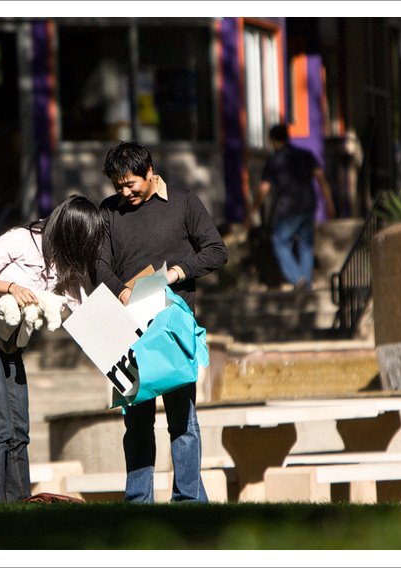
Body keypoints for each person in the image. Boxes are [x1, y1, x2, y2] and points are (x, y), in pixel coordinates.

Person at [95, 140, 228, 503]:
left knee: (182, 420)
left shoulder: (184, 202)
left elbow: (217, 251)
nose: (125, 192)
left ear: (150, 173)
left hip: (173, 326)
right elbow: (99, 265)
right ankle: (138, 501)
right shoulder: (109, 211)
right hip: (128, 328)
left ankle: (188, 500)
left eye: (130, 184)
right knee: (136, 422)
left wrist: (177, 273)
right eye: (117, 186)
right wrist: (122, 292)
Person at [0, 195, 106, 503]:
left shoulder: (67, 264)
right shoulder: (21, 240)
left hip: (12, 347)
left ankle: (21, 504)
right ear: (67, 231)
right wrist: (11, 287)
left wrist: (122, 335)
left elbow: (84, 309)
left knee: (20, 429)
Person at [248, 124, 336, 290]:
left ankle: (297, 279)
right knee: (306, 246)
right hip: (309, 205)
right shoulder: (305, 155)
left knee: (279, 241)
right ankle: (306, 283)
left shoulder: (274, 160)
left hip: (288, 208)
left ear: (273, 140)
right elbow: (321, 178)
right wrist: (329, 203)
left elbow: (263, 189)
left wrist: (252, 212)